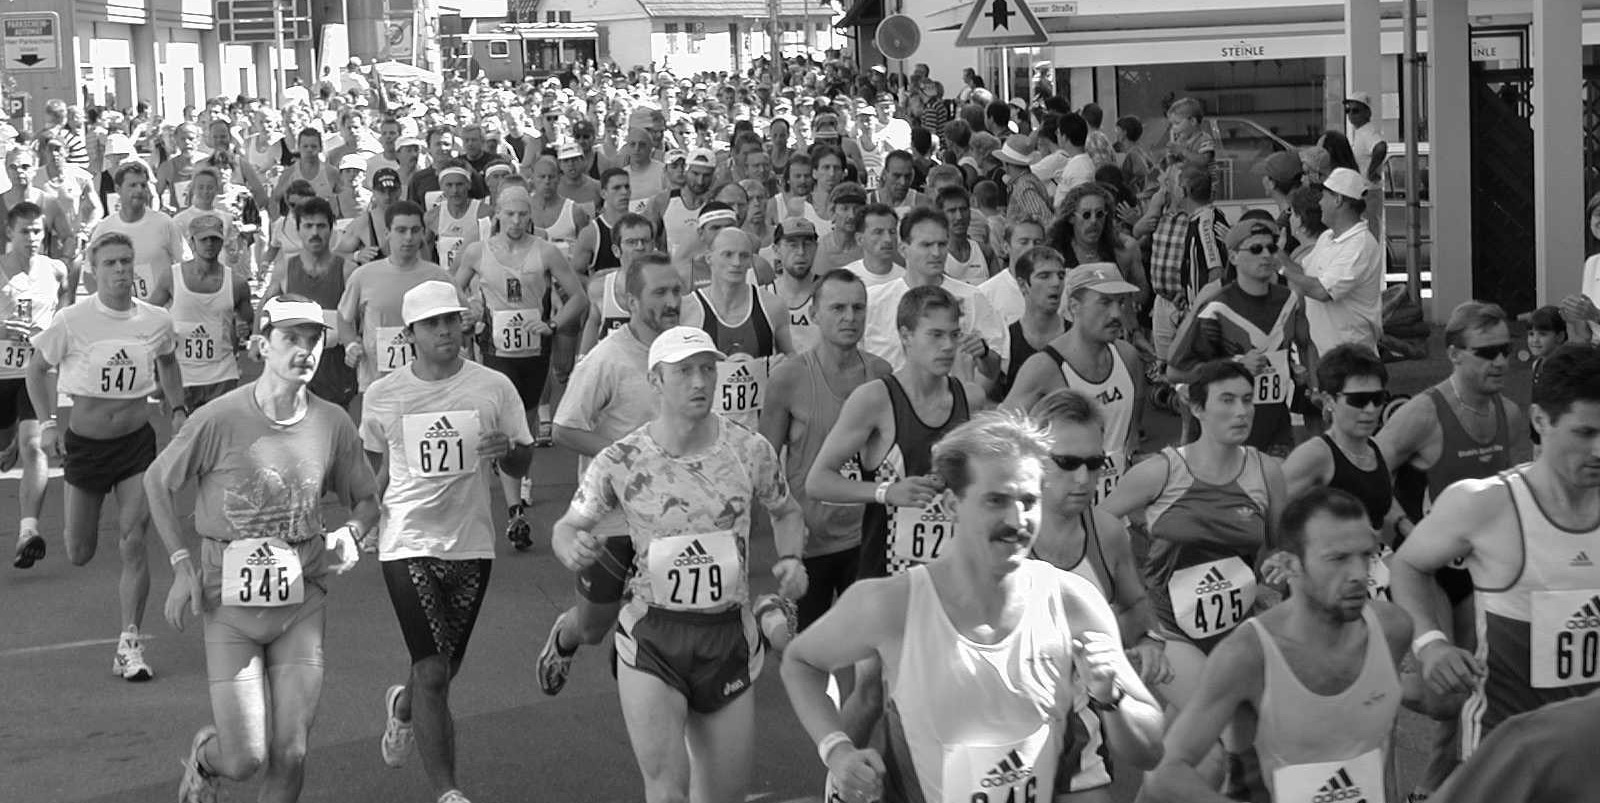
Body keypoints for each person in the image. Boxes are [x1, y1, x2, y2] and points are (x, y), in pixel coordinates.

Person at [783, 410, 1163, 803]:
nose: (1017, 520)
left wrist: (1112, 698)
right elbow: (800, 663)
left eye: (1029, 500)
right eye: (996, 501)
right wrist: (838, 750)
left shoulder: (1072, 602)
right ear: (951, 506)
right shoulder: (891, 604)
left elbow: (1150, 750)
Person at [550, 325, 808, 803]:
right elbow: (568, 525)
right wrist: (569, 544)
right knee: (667, 792)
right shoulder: (621, 459)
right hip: (652, 634)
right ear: (656, 381)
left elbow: (787, 511)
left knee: (722, 797)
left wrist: (792, 558)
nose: (699, 382)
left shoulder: (750, 451)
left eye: (707, 370)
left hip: (728, 634)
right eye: (685, 371)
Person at [151, 296, 379, 803]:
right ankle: (208, 761)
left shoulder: (333, 422)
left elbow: (366, 500)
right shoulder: (220, 418)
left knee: (291, 752)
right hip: (228, 602)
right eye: (290, 339)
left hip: (303, 600)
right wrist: (181, 565)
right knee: (245, 758)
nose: (305, 350)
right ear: (261, 345)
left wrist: (352, 534)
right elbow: (156, 481)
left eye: (314, 338)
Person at [362, 280, 535, 803]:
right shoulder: (384, 394)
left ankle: (403, 708)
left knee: (443, 667)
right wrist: (362, 524)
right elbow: (373, 472)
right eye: (433, 324)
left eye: (452, 320)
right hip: (407, 540)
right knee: (434, 670)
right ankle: (449, 792)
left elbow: (523, 458)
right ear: (411, 333)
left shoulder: (493, 387)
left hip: (471, 543)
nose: (445, 331)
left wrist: (508, 453)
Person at [1391, 342, 1600, 771]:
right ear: (1541, 420)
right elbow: (1408, 565)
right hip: (1505, 757)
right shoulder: (1485, 504)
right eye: (1585, 433)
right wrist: (1430, 644)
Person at [1144, 487, 1411, 803]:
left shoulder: (1392, 628)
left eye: (1366, 555)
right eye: (1338, 559)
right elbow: (1166, 774)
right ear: (1291, 564)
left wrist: (1441, 663)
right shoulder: (1248, 656)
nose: (1358, 574)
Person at [1100, 360, 1286, 785]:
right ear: (1197, 409)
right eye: (1227, 400)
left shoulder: (1266, 472)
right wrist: (1126, 592)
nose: (1242, 411)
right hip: (1169, 632)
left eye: (1247, 400)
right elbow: (1097, 527)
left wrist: (1279, 571)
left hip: (1237, 632)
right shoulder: (1162, 471)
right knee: (1224, 738)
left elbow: (1278, 548)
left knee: (1177, 748)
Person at [25, 231, 186, 681]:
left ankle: (129, 642)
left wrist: (177, 409)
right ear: (94, 270)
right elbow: (37, 370)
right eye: (111, 262)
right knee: (80, 550)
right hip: (87, 447)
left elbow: (169, 363)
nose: (119, 269)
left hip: (136, 444)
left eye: (125, 261)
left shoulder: (155, 321)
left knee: (134, 539)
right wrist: (48, 423)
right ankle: (123, 634)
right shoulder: (72, 320)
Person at [1028, 389, 1173, 800]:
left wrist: (1148, 643)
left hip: (1079, 734)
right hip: (1001, 738)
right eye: (1068, 463)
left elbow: (1139, 609)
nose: (1083, 479)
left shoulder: (1107, 534)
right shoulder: (997, 535)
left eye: (1094, 464)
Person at [454, 185, 586, 547]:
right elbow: (451, 289)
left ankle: (515, 473)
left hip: (534, 350)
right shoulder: (478, 252)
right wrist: (470, 313)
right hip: (495, 350)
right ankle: (515, 511)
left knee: (525, 420)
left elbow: (578, 297)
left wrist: (554, 326)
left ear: (530, 215)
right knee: (503, 417)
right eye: (509, 213)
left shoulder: (545, 252)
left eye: (523, 214)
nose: (516, 220)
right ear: (496, 213)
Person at [762, 268, 893, 629]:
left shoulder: (881, 374)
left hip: (866, 535)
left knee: (867, 648)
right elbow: (766, 463)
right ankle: (770, 619)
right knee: (806, 650)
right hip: (811, 538)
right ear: (815, 314)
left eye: (858, 308)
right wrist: (784, 529)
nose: (850, 317)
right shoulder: (789, 378)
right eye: (837, 308)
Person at [1168, 217, 1314, 457]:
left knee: (1272, 490)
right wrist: (1236, 365)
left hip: (1275, 428)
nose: (1266, 255)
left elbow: (1301, 347)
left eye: (1272, 247)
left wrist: (1296, 371)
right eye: (1256, 249)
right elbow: (1175, 372)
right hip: (1226, 433)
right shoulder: (1217, 307)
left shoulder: (1288, 300)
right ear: (1234, 257)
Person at [1004, 263, 1143, 503]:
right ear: (1074, 306)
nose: (1116, 314)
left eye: (1121, 302)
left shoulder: (1128, 357)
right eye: (1104, 302)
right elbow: (1001, 437)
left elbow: (1130, 433)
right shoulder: (1043, 368)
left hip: (1112, 509)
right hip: (1060, 511)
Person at [1283, 344, 1404, 600]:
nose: (1370, 409)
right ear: (1329, 401)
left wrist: (1408, 528)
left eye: (1378, 398)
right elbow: (1272, 509)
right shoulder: (1316, 455)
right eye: (1358, 400)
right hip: (1326, 590)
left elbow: (1375, 499)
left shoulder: (1372, 448)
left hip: (1371, 581)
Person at [1, 202, 71, 569]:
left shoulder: (57, 271)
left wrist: (52, 338)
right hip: (0, 375)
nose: (32, 238)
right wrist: (3, 329)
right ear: (10, 233)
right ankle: (7, 437)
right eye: (25, 232)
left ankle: (28, 531)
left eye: (38, 232)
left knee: (36, 447)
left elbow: (65, 317)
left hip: (34, 374)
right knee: (7, 447)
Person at [862, 208, 1005, 388]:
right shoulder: (874, 300)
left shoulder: (972, 297)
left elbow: (993, 370)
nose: (936, 253)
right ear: (903, 249)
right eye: (926, 245)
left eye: (942, 244)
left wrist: (983, 353)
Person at [337, 200, 457, 394]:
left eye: (415, 230)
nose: (408, 238)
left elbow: (464, 318)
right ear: (387, 234)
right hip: (378, 384)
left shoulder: (438, 277)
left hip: (429, 385)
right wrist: (350, 344)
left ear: (422, 234)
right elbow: (343, 317)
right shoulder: (363, 275)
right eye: (401, 230)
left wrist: (469, 320)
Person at [680, 225, 792, 431]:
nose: (736, 263)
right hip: (703, 430)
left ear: (751, 261)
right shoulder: (687, 309)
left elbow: (794, 364)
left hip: (759, 430)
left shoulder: (772, 306)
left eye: (743, 256)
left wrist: (780, 368)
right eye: (728, 255)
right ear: (709, 258)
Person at [146, 212, 254, 412]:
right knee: (185, 439)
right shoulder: (171, 277)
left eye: (215, 239)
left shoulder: (237, 283)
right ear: (192, 242)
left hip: (223, 374)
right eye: (204, 239)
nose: (210, 244)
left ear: (222, 242)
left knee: (220, 438)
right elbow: (149, 317)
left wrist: (242, 325)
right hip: (182, 375)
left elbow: (247, 320)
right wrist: (158, 374)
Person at [259, 197, 360, 409]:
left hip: (335, 368)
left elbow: (361, 316)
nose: (315, 233)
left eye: (321, 226)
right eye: (308, 226)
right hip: (294, 366)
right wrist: (257, 337)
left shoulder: (348, 270)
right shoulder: (285, 269)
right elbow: (265, 306)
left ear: (331, 230)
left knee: (333, 432)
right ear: (299, 230)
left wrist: (353, 342)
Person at [1279, 167, 1384, 357]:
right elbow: (1303, 276)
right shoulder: (1327, 237)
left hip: (1353, 358)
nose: (1319, 202)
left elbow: (1321, 291)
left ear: (1338, 200)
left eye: (1324, 196)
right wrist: (1276, 254)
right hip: (1328, 356)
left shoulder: (1359, 245)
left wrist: (1279, 267)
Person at [1428, 689, 1600, 802]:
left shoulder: (1530, 741)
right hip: (1501, 737)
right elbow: (1438, 703)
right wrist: (1431, 644)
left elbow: (1439, 703)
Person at [88, 161, 185, 301]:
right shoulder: (104, 228)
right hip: (121, 315)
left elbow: (185, 266)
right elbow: (89, 274)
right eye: (132, 185)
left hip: (161, 312)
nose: (139, 190)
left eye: (143, 185)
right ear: (118, 189)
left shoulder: (165, 223)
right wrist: (107, 305)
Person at [991, 246, 1068, 401]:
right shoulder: (1004, 341)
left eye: (1060, 276)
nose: (1056, 283)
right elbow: (984, 400)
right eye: (1044, 276)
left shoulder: (1077, 336)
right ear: (1022, 284)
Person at [577, 213, 655, 355]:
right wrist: (581, 363)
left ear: (653, 246)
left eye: (645, 241)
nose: (640, 247)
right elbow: (593, 325)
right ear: (616, 250)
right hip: (612, 371)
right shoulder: (600, 289)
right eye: (632, 242)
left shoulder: (668, 288)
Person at [770, 217, 823, 353]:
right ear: (776, 250)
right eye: (792, 244)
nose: (801, 252)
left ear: (816, 247)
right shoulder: (764, 297)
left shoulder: (830, 293)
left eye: (807, 244)